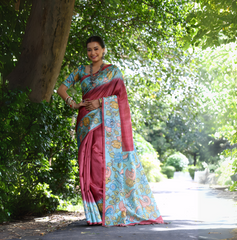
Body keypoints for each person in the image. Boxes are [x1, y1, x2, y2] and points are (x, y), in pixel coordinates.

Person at [57, 36, 164, 227]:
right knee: (88, 166)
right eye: (89, 50)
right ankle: (97, 213)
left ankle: (109, 208)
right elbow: (61, 88)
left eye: (96, 49)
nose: (93, 53)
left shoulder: (113, 72)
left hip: (106, 124)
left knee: (100, 162)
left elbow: (120, 97)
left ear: (104, 50)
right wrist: (74, 104)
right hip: (84, 123)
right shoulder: (80, 70)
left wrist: (101, 102)